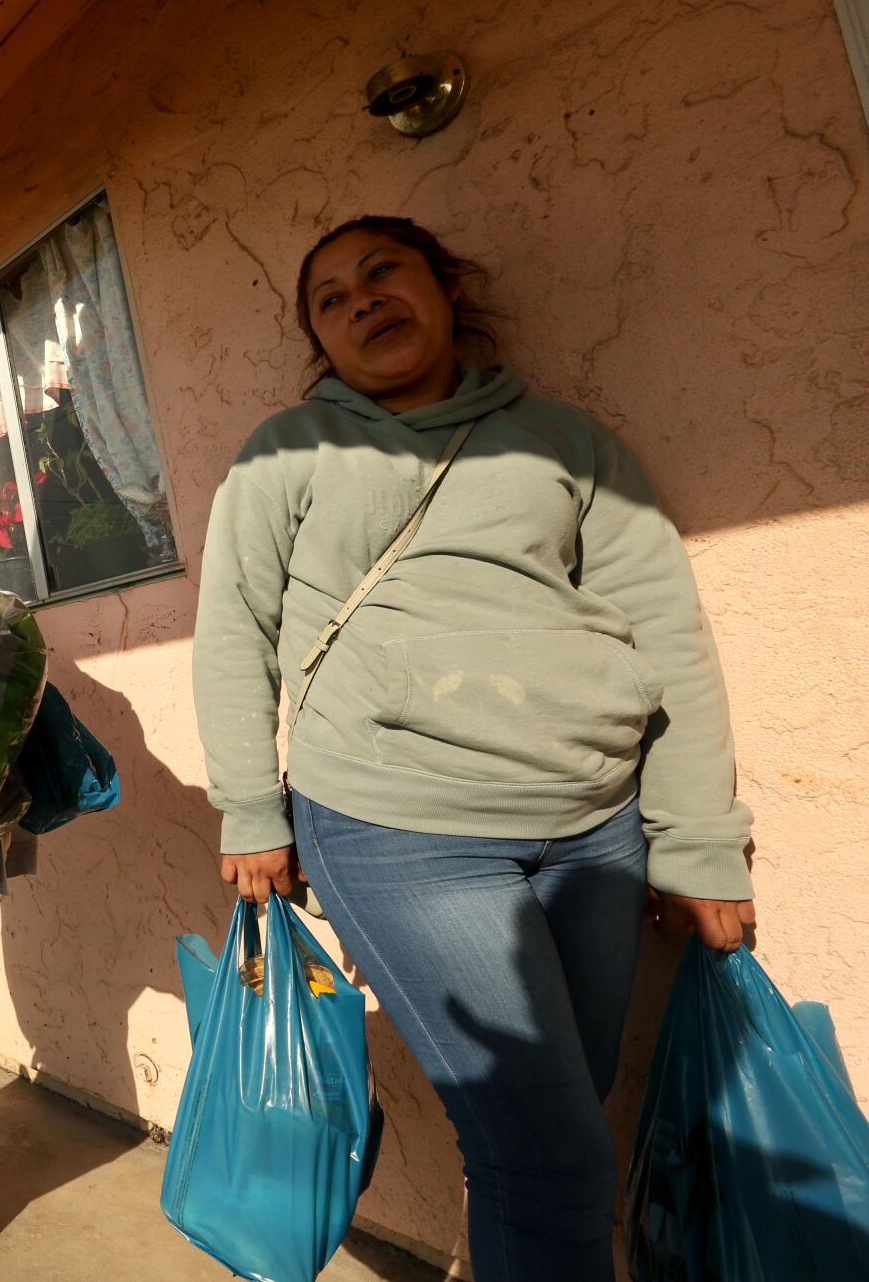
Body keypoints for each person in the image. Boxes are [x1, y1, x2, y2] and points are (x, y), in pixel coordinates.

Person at [192, 215, 757, 1281]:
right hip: (396, 823)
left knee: (551, 1134)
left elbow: (666, 629)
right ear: (320, 341)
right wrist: (248, 809)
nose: (360, 299)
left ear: (445, 288)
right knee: (549, 1159)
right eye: (328, 297)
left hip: (594, 826)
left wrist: (693, 838)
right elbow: (233, 632)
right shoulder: (287, 452)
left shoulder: (564, 441)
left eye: (381, 271)